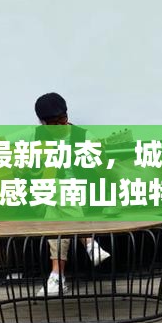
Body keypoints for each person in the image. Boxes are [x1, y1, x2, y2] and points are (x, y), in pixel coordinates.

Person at [32, 92, 111, 296]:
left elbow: (104, 173)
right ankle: (89, 244)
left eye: (63, 120)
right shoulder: (36, 137)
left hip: (86, 195)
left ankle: (57, 277)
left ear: (67, 115)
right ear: (42, 123)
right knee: (55, 202)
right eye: (53, 124)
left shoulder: (85, 137)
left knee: (56, 205)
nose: (60, 127)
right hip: (58, 196)